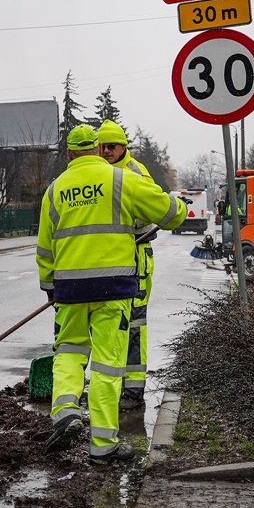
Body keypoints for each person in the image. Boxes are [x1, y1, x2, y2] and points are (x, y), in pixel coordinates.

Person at [37, 124, 187, 462]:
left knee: (69, 352)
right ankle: (103, 446)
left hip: (69, 289)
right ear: (97, 149)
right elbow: (170, 214)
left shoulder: (54, 191)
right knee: (107, 364)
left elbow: (45, 251)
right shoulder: (122, 180)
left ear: (70, 154)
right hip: (113, 287)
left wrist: (50, 288)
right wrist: (178, 206)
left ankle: (64, 411)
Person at [96, 119, 162, 411]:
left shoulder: (135, 173)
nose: (106, 151)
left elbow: (149, 214)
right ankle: (110, 383)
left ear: (124, 147)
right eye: (102, 146)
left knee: (133, 325)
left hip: (135, 261)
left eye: (111, 146)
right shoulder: (95, 172)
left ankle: (133, 390)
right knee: (110, 325)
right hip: (107, 260)